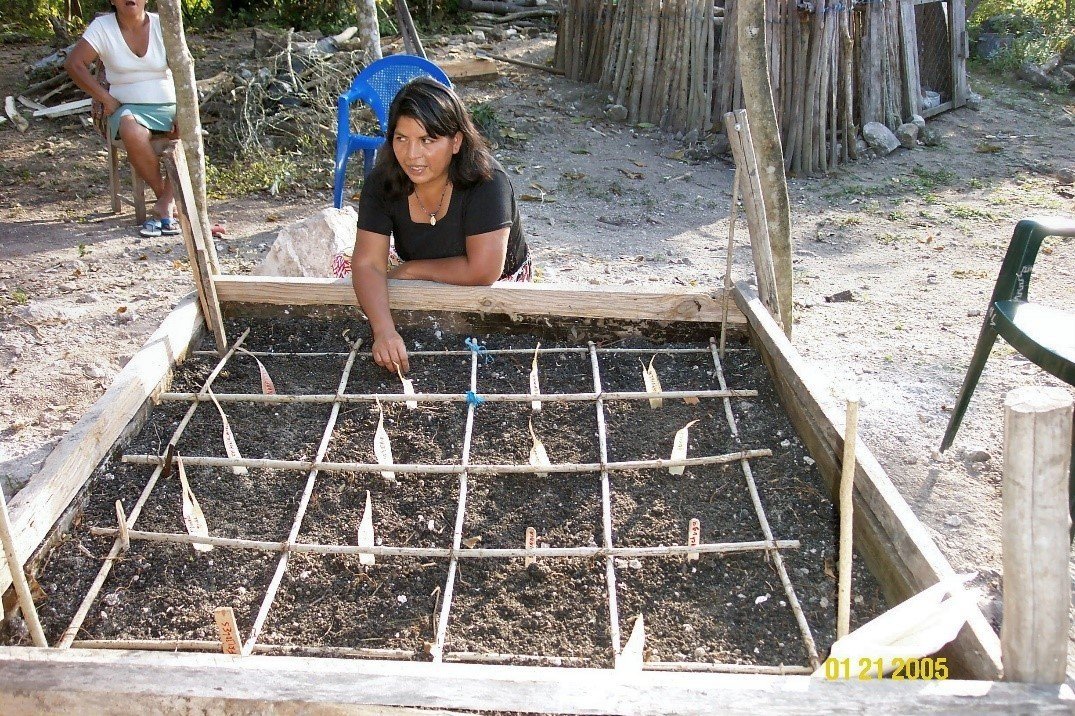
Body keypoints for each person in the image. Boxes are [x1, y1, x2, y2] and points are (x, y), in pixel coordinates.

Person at [350, 77, 531, 374]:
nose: (412, 155)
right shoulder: (383, 182)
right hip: (426, 270)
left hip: (497, 284)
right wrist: (383, 331)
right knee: (350, 274)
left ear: (456, 141)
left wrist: (412, 270)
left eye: (427, 140)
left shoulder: (486, 181)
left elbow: (483, 270)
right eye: (401, 138)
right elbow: (368, 263)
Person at [65, 0, 178, 238]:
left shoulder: (163, 24)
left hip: (169, 104)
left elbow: (183, 68)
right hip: (128, 108)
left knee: (187, 132)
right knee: (131, 128)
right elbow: (74, 64)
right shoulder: (102, 27)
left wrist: (183, 112)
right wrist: (105, 98)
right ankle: (165, 200)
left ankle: (165, 205)